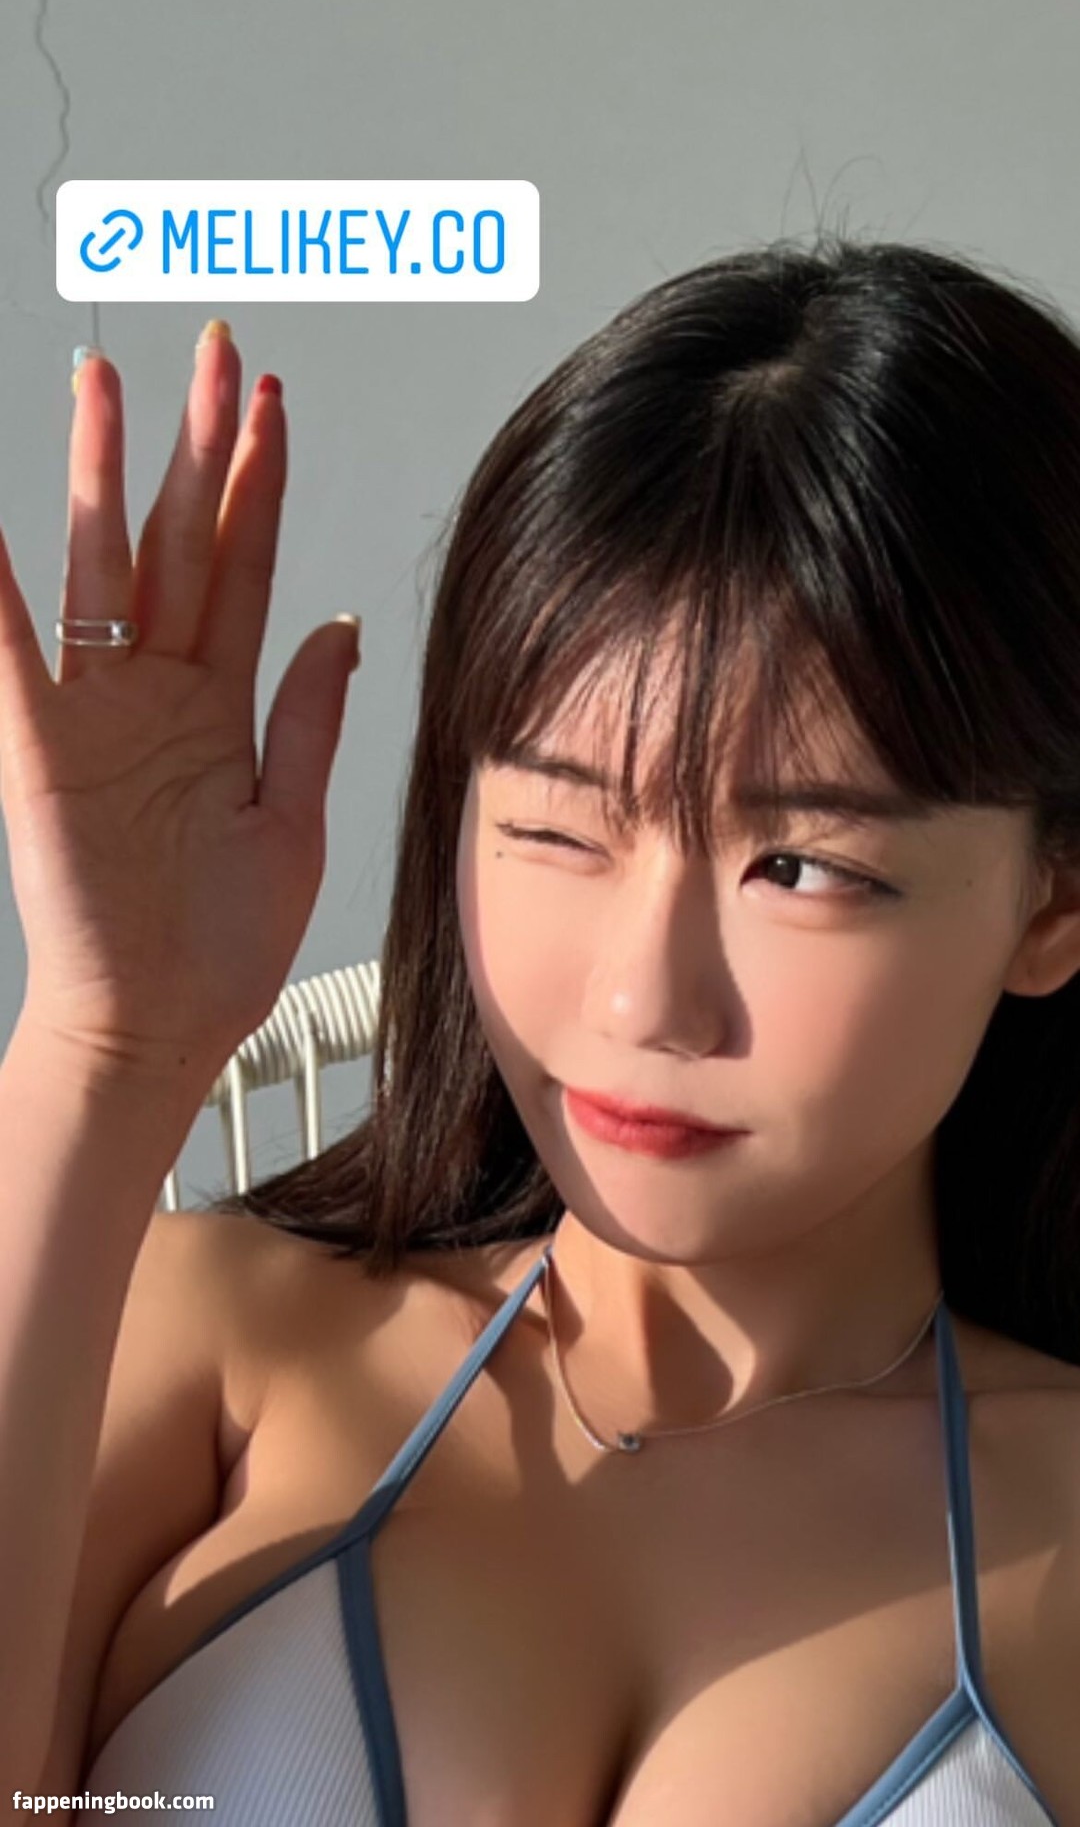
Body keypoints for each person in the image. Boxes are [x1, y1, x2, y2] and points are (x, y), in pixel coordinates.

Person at [2, 236, 1079, 1825]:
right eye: (560, 830)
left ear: (1056, 900)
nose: (643, 1002)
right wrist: (101, 1052)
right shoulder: (226, 1351)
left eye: (799, 867)